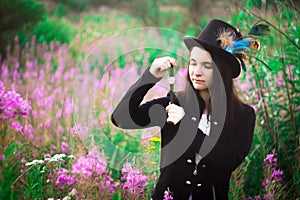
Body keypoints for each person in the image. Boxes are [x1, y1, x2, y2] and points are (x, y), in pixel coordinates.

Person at [111, 19, 256, 200]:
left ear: (222, 71)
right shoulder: (174, 103)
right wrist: (150, 76)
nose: (196, 71)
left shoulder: (243, 115)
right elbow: (121, 117)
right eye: (193, 63)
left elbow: (228, 161)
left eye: (207, 65)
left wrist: (186, 126)